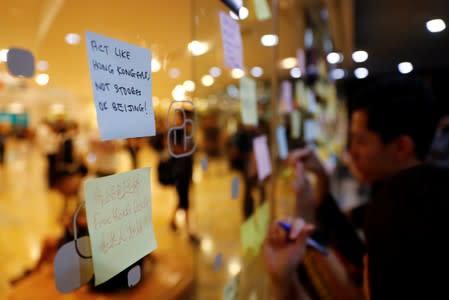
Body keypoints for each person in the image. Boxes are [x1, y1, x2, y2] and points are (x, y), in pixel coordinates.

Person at [263, 76, 448, 300]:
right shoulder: (407, 193)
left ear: (401, 147)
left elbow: (357, 293)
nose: (352, 153)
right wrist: (321, 179)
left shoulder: (410, 213)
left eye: (361, 141)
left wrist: (306, 232)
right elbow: (351, 244)